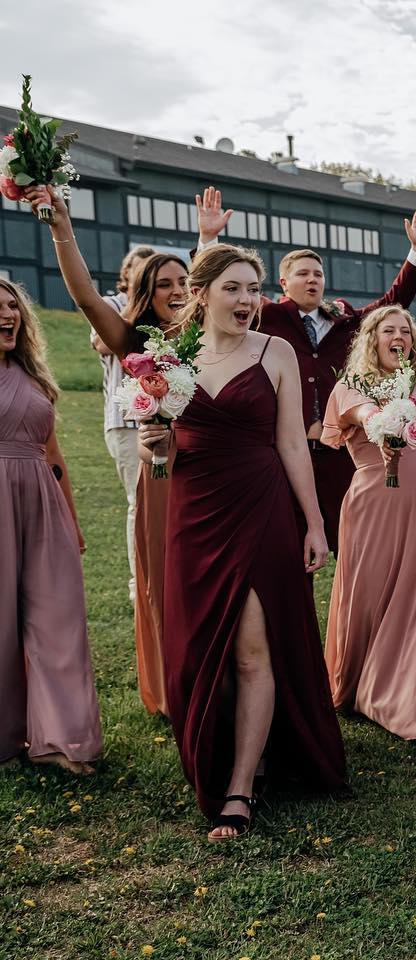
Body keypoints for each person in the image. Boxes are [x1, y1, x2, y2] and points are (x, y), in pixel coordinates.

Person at [138, 242, 346, 840]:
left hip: (261, 510)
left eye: (253, 289)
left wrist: (313, 523)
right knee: (200, 650)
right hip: (194, 511)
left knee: (254, 652)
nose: (247, 301)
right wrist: (156, 446)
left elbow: (291, 446)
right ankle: (219, 752)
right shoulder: (169, 358)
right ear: (200, 294)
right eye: (233, 288)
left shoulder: (275, 352)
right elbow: (163, 451)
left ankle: (240, 786)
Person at [194, 187, 416, 550]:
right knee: (290, 545)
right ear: (283, 284)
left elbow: (391, 305)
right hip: (287, 451)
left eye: (318, 274)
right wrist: (209, 240)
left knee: (353, 542)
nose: (312, 280)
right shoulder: (265, 316)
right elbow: (218, 296)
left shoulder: (345, 320)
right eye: (303, 274)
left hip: (340, 454)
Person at [30, 188, 188, 717]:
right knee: (163, 572)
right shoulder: (132, 341)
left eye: (184, 282)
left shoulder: (214, 337)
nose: (176, 290)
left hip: (214, 472)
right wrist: (61, 227)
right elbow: (85, 298)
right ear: (145, 291)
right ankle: (173, 680)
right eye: (163, 284)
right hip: (161, 473)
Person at [323, 228, 416, 740]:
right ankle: (369, 683)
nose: (400, 338)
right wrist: (381, 428)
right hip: (380, 509)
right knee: (374, 595)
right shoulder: (349, 388)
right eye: (388, 331)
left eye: (405, 332)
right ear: (371, 341)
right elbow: (366, 416)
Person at [0, 277, 101, 776]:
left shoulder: (33, 377)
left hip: (42, 505)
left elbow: (54, 455)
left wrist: (72, 522)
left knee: (58, 620)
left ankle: (63, 739)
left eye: (13, 306)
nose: (8, 315)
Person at [94, 244, 155, 602]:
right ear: (127, 274)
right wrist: (137, 303)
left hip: (164, 422)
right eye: (139, 268)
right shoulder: (114, 305)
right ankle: (139, 583)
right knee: (139, 501)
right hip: (126, 421)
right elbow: (103, 344)